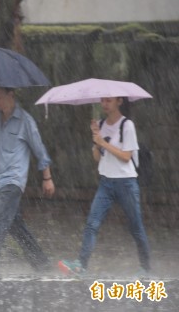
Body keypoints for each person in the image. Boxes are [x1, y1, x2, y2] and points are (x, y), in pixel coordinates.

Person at [59, 97, 150, 276]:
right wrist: (96, 140)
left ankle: (145, 268)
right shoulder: (100, 125)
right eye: (103, 100)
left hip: (126, 182)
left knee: (136, 227)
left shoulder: (127, 125)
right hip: (106, 182)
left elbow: (126, 156)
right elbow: (97, 157)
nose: (104, 104)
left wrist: (103, 143)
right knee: (92, 224)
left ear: (119, 101)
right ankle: (81, 265)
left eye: (108, 100)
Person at [0, 87, 55, 271]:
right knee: (15, 226)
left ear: (11, 95)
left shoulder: (25, 121)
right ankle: (42, 264)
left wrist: (47, 177)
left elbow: (39, 150)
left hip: (13, 180)